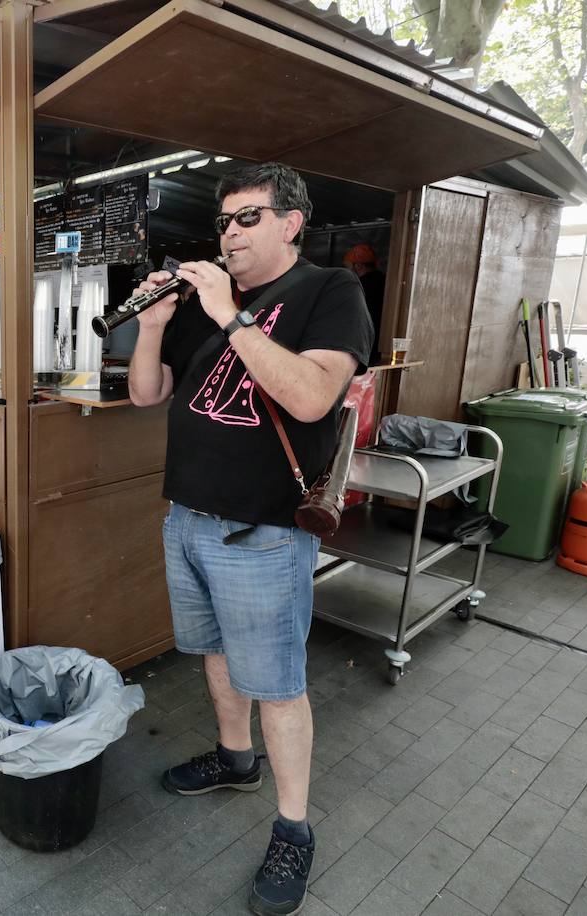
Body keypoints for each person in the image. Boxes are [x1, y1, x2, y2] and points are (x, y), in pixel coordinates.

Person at [127, 162, 372, 916]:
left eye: (247, 218)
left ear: (291, 223)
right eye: (224, 222)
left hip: (262, 531)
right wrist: (155, 326)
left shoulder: (330, 293)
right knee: (215, 657)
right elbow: (146, 393)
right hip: (188, 518)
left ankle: (294, 826)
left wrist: (231, 314)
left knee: (276, 683)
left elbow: (309, 394)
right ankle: (236, 762)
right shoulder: (204, 304)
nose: (229, 233)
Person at [343, 243, 386, 364]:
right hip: (378, 349)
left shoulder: (357, 287)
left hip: (361, 349)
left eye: (348, 267)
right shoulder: (385, 283)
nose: (347, 271)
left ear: (358, 266)